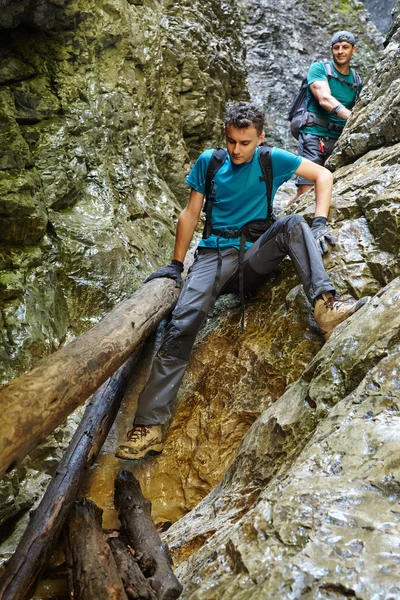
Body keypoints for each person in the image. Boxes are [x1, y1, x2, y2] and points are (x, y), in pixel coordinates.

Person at [116, 101, 368, 461]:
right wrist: (175, 265)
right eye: (232, 141)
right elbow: (190, 213)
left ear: (260, 138)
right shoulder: (210, 162)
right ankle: (150, 427)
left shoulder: (272, 159)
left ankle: (325, 305)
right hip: (212, 256)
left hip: (252, 257)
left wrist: (321, 221)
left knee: (293, 225)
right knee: (182, 323)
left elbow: (323, 176)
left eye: (245, 142)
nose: (237, 149)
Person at [289, 31, 361, 206]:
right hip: (313, 136)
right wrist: (352, 117)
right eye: (336, 48)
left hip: (338, 141)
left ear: (353, 50)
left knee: (328, 192)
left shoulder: (357, 81)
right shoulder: (319, 69)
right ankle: (279, 225)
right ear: (331, 50)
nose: (340, 51)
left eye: (345, 47)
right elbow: (324, 98)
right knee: (306, 193)